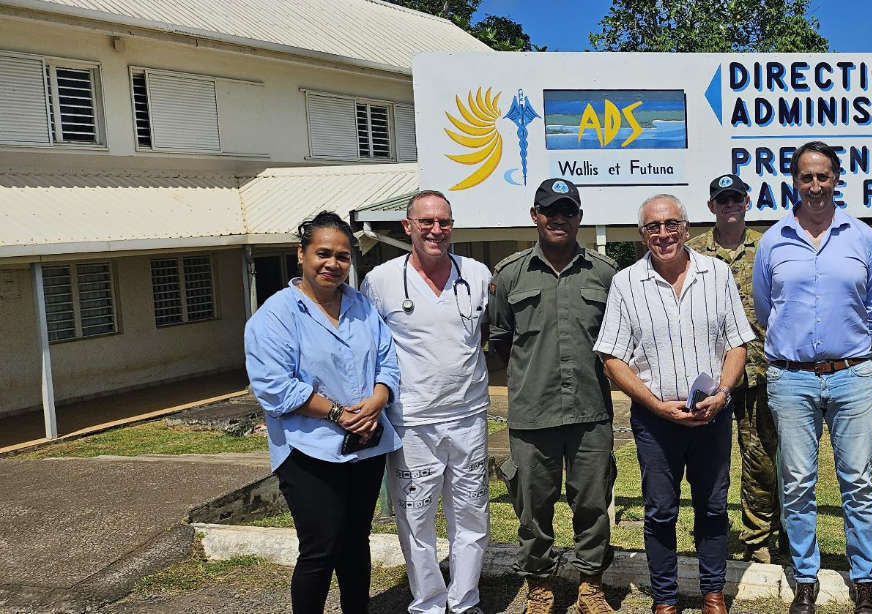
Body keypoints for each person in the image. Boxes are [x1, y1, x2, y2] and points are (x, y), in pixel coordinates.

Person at [595, 194, 755, 614]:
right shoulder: (626, 283)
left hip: (712, 417)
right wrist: (654, 404)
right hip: (657, 422)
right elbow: (612, 357)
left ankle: (713, 593)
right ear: (641, 233)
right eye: (653, 227)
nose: (663, 234)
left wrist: (721, 395)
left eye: (671, 225)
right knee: (660, 512)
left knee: (713, 507)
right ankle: (665, 599)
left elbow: (737, 343)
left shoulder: (717, 274)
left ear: (686, 228)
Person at [751, 141, 872, 614]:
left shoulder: (862, 237)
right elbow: (768, 308)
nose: (815, 186)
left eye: (823, 176)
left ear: (836, 179)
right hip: (791, 379)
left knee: (857, 480)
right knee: (797, 480)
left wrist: (846, 348)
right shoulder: (773, 240)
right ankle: (806, 577)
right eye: (806, 177)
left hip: (851, 376)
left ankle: (863, 578)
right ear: (794, 180)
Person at [244, 211, 401, 614]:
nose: (334, 264)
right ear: (301, 254)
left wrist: (378, 399)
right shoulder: (276, 315)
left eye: (343, 256)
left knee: (355, 542)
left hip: (365, 445)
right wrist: (337, 413)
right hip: (309, 451)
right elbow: (274, 388)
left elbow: (388, 361)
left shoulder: (362, 306)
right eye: (323, 253)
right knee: (320, 548)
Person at [487, 178, 618, 614]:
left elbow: (617, 339)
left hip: (590, 411)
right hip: (532, 414)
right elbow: (502, 339)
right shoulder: (510, 274)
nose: (558, 219)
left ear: (579, 217)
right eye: (550, 211)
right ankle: (539, 586)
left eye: (568, 211)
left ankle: (590, 586)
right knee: (532, 509)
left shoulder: (604, 273)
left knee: (593, 504)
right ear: (535, 216)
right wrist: (535, 373)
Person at [360, 190, 491, 614]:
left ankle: (465, 601)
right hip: (411, 422)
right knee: (416, 520)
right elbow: (367, 347)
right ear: (408, 226)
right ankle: (429, 603)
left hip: (468, 416)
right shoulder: (380, 281)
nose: (437, 230)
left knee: (471, 516)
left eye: (445, 222)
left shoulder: (477, 275)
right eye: (427, 222)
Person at [685, 173, 782, 565]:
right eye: (721, 200)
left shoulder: (769, 247)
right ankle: (712, 533)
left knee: (760, 459)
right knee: (709, 461)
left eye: (735, 199)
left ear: (747, 202)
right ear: (711, 206)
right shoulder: (692, 252)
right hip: (711, 375)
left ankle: (758, 538)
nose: (729, 206)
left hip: (760, 371)